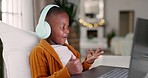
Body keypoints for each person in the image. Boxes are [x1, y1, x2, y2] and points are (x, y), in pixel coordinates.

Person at [29, 4, 104, 78]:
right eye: (63, 27)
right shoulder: (39, 52)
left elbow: (79, 72)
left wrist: (87, 62)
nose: (67, 31)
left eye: (67, 26)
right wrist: (67, 71)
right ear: (46, 29)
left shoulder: (68, 49)